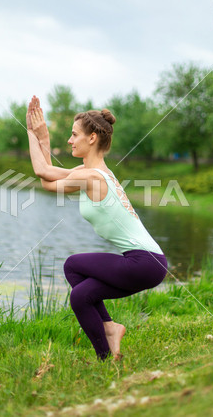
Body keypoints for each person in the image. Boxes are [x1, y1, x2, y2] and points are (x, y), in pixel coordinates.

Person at [27, 95, 168, 361]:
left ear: (91, 138)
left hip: (144, 262)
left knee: (72, 265)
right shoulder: (95, 172)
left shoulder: (90, 176)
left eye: (73, 134)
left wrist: (34, 133)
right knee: (81, 295)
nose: (70, 140)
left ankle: (104, 353)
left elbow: (42, 171)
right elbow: (47, 177)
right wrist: (41, 138)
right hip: (150, 262)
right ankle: (111, 336)